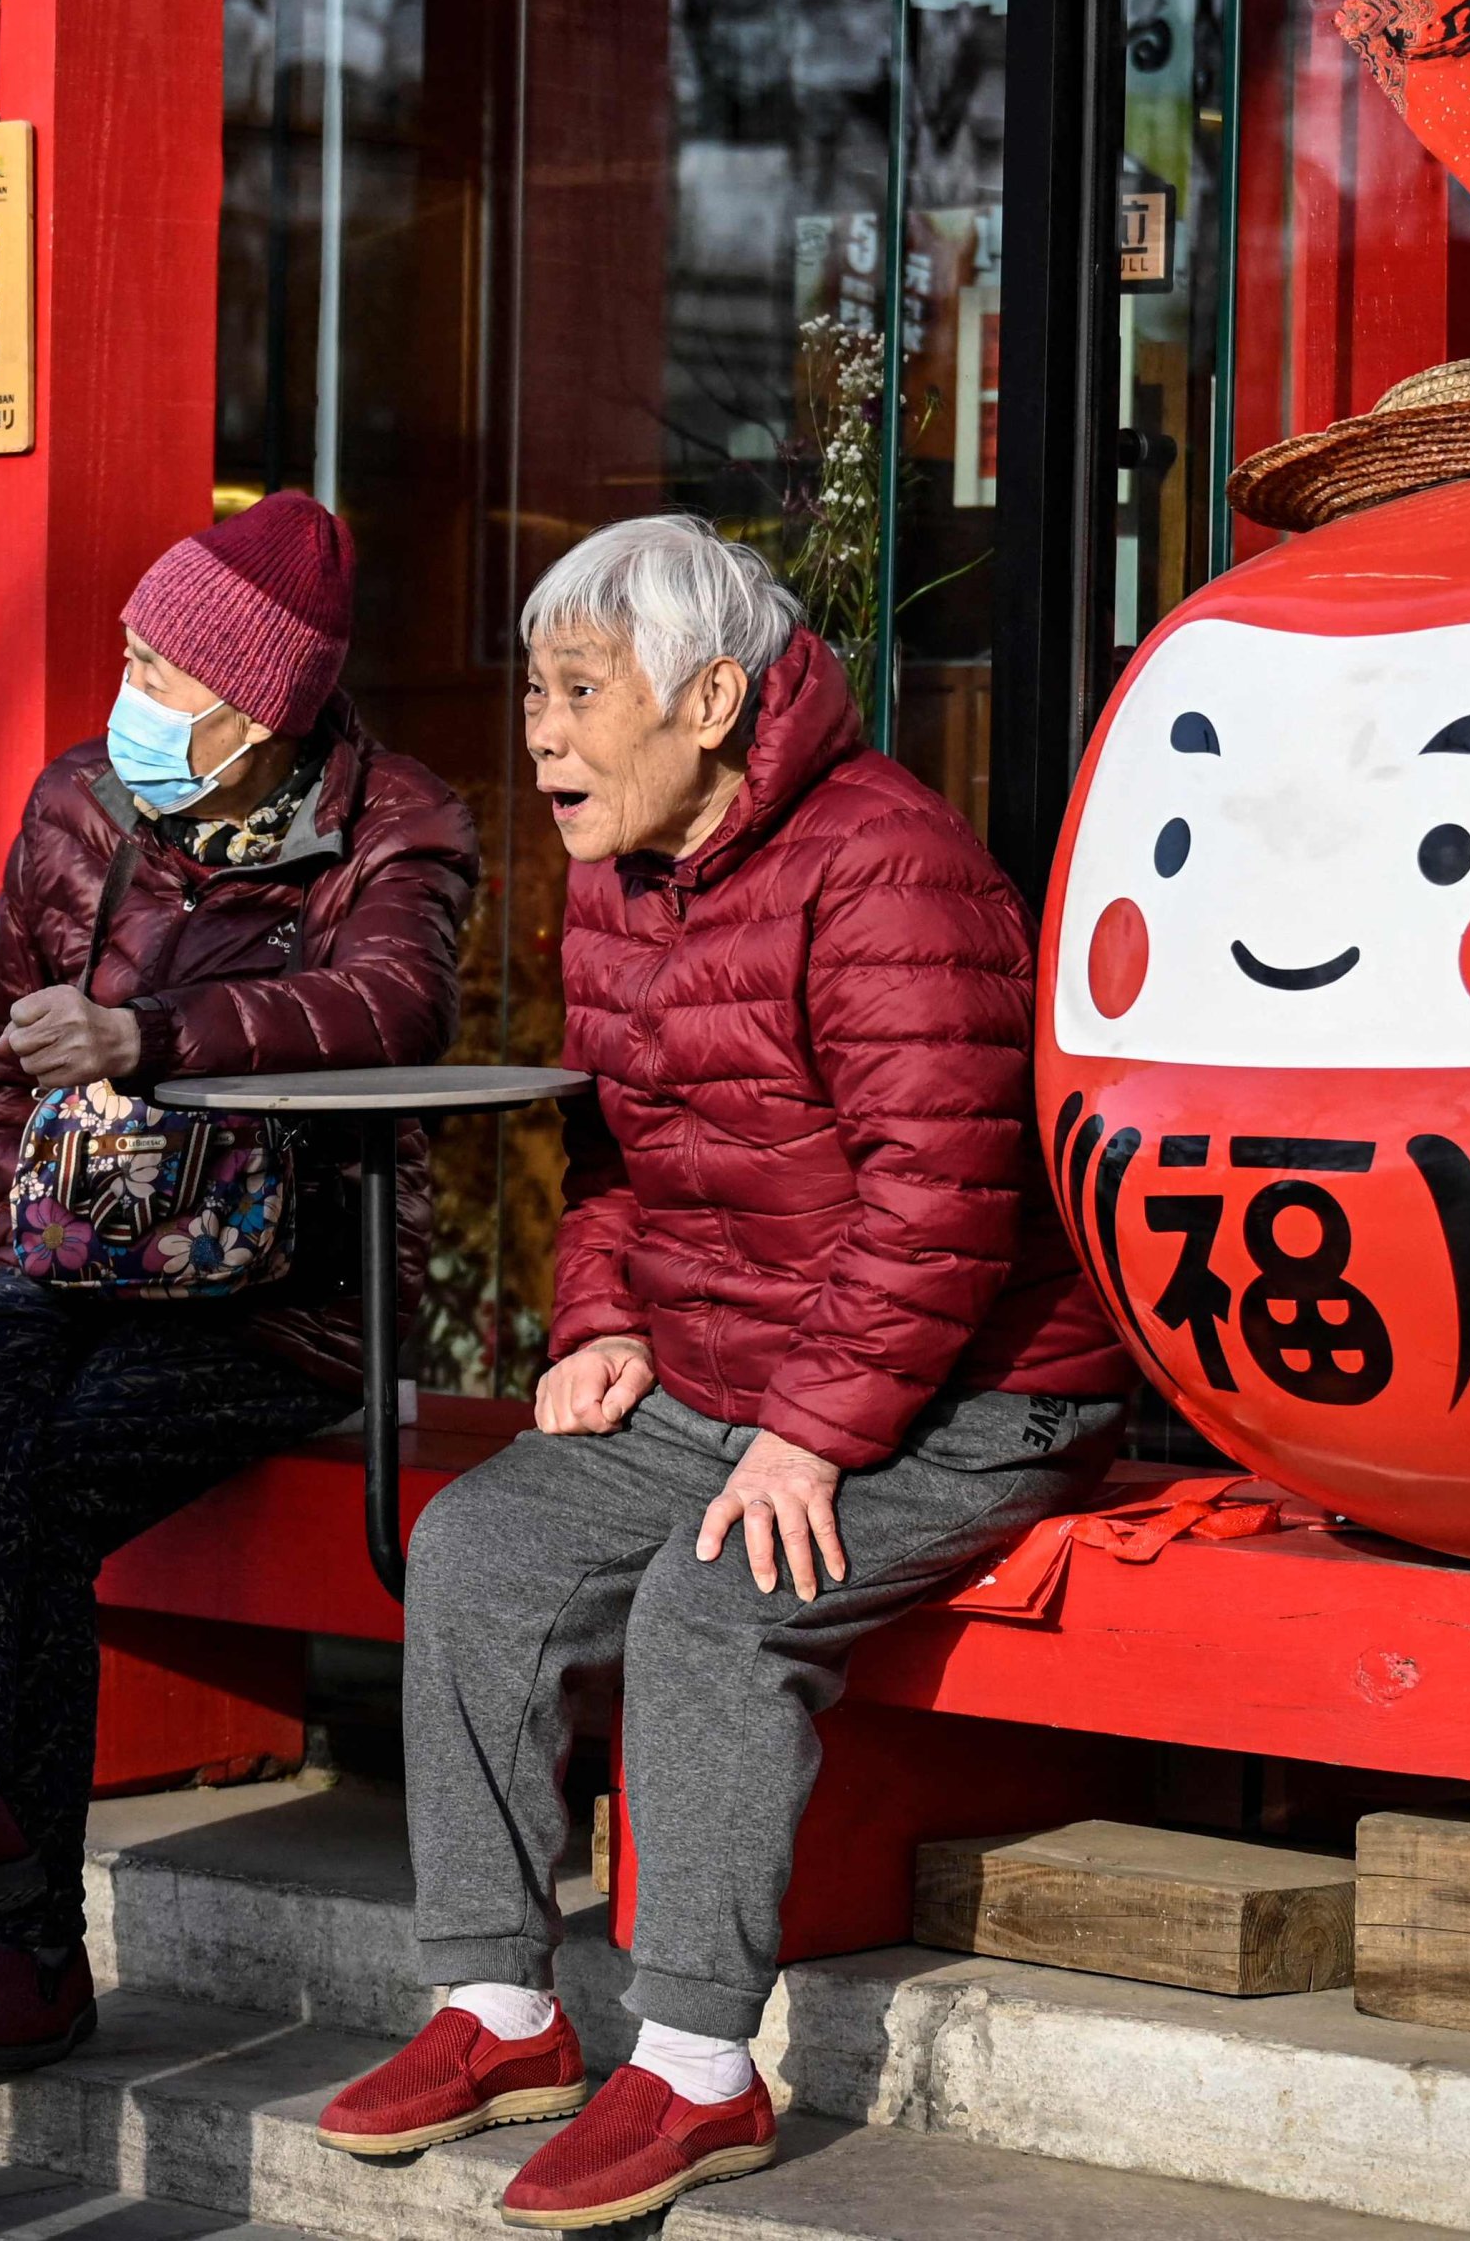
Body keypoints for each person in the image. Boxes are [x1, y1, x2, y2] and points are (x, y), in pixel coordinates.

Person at [315, 516, 1127, 2229]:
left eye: (578, 688)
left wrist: (815, 1435)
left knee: (711, 1606)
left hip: (976, 1389)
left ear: (709, 700)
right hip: (741, 1370)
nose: (539, 727)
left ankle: (695, 2061)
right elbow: (618, 1152)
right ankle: (500, 2007)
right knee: (480, 1548)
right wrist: (600, 1319)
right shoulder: (615, 881)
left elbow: (945, 1199)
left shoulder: (884, 863)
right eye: (534, 688)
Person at [0, 491, 481, 2080]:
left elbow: (391, 1002)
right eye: (131, 655)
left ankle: (20, 1936)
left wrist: (148, 1037)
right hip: (74, 1266)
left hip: (285, 1300)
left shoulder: (402, 823)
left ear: (260, 711)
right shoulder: (78, 809)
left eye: (165, 671)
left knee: (11, 1482)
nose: (131, 695)